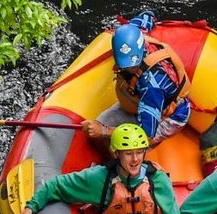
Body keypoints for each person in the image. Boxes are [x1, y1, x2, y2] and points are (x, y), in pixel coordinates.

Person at [16, 124, 190, 214]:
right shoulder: (100, 178)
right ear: (117, 154)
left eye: (139, 152)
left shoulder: (157, 178)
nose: (135, 159)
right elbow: (56, 185)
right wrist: (30, 208)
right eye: (128, 153)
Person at [80, 11, 192, 146]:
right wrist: (153, 15)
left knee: (129, 146)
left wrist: (104, 131)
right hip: (138, 102)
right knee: (99, 126)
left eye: (132, 66)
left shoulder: (152, 87)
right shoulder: (137, 34)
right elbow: (148, 15)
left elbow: (145, 134)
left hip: (170, 117)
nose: (128, 69)